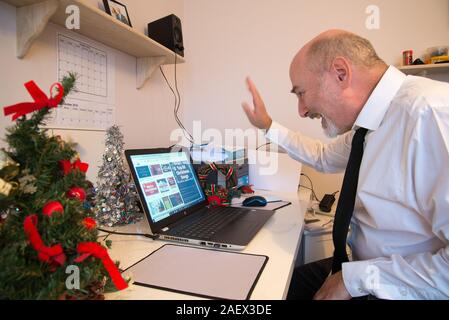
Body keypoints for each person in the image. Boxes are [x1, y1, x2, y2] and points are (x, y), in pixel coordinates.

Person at [242, 29, 449, 300]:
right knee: (266, 290)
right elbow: (322, 156)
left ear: (341, 73)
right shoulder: (367, 127)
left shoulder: (431, 115)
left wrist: (356, 281)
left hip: (398, 288)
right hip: (361, 271)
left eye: (301, 93)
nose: (302, 110)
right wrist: (268, 126)